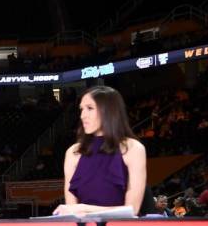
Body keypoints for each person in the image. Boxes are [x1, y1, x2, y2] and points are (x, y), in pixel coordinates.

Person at [54, 86, 146, 216]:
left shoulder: (133, 148)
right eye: (81, 109)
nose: (82, 115)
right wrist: (79, 210)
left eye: (90, 108)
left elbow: (132, 210)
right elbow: (71, 211)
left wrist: (83, 208)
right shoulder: (73, 153)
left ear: (109, 111)